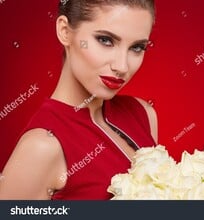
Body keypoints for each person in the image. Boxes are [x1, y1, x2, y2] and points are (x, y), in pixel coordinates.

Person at [0, 0, 157, 200]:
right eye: (105, 40)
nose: (122, 66)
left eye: (137, 47)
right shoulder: (42, 146)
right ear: (65, 31)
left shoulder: (142, 113)